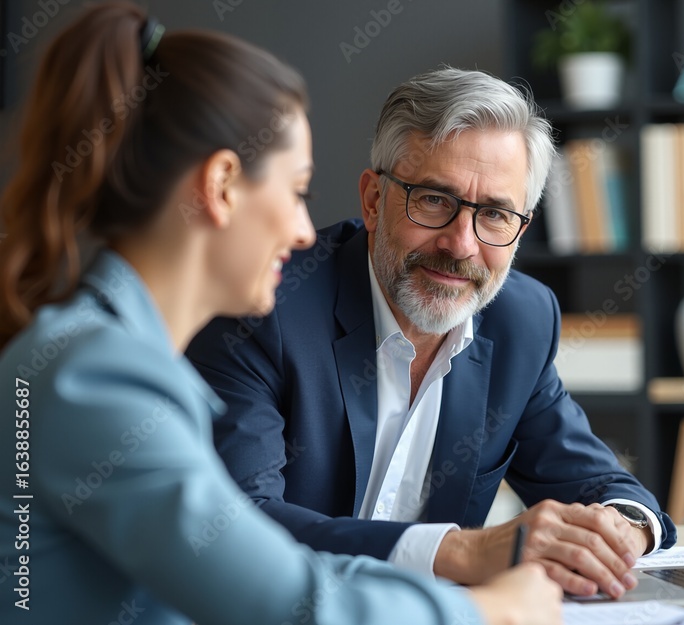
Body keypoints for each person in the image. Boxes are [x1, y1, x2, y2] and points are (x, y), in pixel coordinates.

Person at [0, 4, 561, 624]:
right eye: (297, 192)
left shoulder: (113, 358)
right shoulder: (96, 378)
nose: (303, 232)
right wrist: (490, 614)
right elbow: (287, 603)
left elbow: (266, 561)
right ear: (221, 187)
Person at [187, 66, 678, 600]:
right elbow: (238, 526)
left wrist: (619, 531)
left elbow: (602, 485)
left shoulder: (522, 322)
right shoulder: (264, 303)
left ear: (521, 230)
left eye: (493, 214)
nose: (461, 245)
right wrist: (464, 552)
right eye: (434, 201)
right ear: (374, 201)